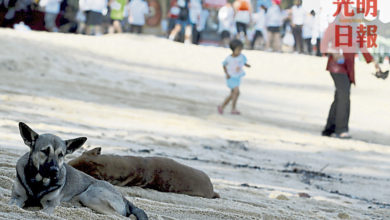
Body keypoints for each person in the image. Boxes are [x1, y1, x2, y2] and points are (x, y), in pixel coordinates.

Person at [320, 21, 381, 139]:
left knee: (340, 96)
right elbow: (323, 46)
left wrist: (374, 63)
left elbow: (362, 47)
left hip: (348, 68)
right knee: (344, 95)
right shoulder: (334, 26)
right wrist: (333, 51)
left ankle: (329, 128)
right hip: (336, 66)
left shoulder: (356, 29)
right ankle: (340, 129)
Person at [218, 39, 251, 115]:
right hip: (231, 77)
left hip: (237, 77)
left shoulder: (241, 56)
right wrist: (226, 73)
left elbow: (243, 62)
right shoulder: (229, 58)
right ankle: (233, 108)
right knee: (236, 92)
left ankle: (222, 106)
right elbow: (224, 65)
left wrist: (247, 65)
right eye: (238, 50)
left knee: (233, 94)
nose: (240, 51)